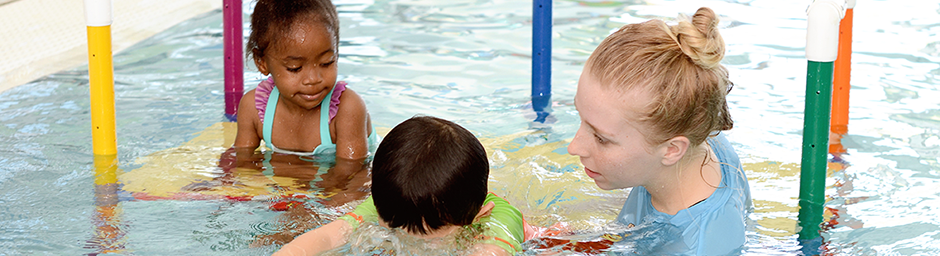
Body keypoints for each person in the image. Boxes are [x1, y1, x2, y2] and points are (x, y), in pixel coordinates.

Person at [565, 7, 751, 255]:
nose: (574, 147)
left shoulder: (695, 247)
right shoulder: (693, 125)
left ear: (672, 149)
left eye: (601, 138)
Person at [274, 116, 529, 256]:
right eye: (395, 228)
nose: (407, 237)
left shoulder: (498, 222)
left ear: (476, 216)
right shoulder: (393, 202)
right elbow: (328, 235)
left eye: (424, 233)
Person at [234, 0, 377, 162]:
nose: (313, 79)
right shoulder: (253, 108)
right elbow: (242, 162)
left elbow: (352, 174)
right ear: (262, 62)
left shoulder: (347, 108)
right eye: (295, 68)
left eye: (326, 62)